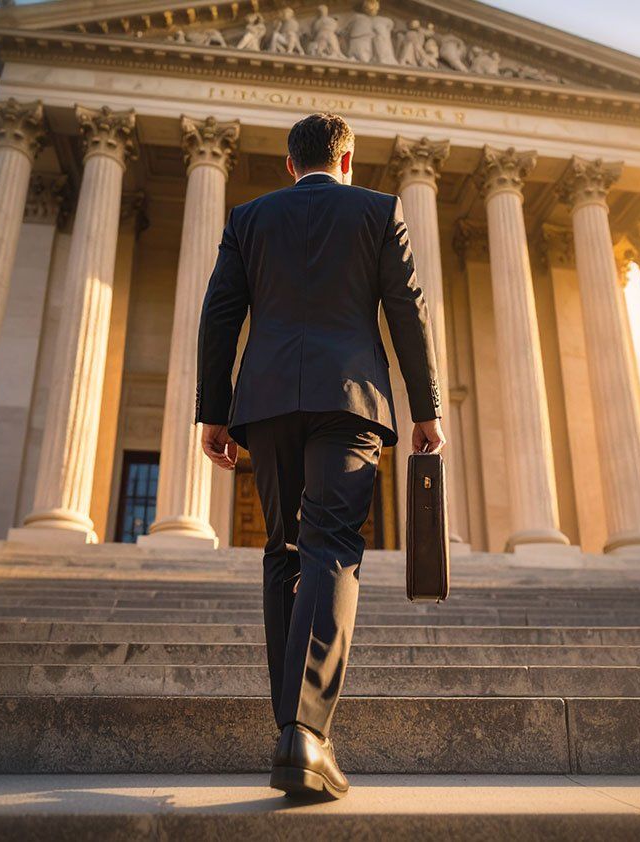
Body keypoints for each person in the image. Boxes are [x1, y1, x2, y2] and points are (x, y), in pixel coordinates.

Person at [195, 113, 442, 801]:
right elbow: (407, 312)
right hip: (351, 399)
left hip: (267, 402)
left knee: (283, 551)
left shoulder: (249, 218)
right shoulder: (378, 210)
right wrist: (426, 410)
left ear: (289, 164)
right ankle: (306, 734)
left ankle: (291, 731)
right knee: (331, 546)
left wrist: (213, 411)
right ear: (349, 158)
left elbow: (219, 315)